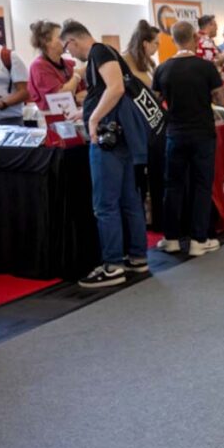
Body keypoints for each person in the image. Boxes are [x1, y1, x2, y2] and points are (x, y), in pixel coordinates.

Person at [60, 20, 149, 289]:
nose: (69, 53)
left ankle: (112, 265)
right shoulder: (105, 53)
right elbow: (109, 91)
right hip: (121, 137)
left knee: (105, 205)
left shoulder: (99, 52)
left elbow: (116, 88)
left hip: (109, 139)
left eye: (67, 47)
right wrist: (85, 112)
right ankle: (136, 257)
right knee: (128, 200)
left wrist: (93, 118)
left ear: (72, 41)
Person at [151, 21, 224, 257]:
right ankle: (198, 239)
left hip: (175, 133)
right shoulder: (206, 68)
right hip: (202, 133)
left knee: (173, 186)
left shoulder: (162, 69)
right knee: (201, 185)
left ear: (173, 40)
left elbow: (154, 101)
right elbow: (223, 101)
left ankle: (171, 238)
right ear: (195, 38)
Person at [123, 20, 164, 230]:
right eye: (156, 43)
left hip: (153, 127)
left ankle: (155, 216)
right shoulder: (123, 61)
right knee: (138, 178)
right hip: (136, 128)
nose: (157, 48)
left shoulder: (149, 64)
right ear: (145, 43)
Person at [27, 19, 85, 115]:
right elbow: (60, 98)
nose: (66, 40)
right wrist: (77, 76)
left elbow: (84, 94)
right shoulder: (39, 67)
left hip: (73, 116)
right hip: (53, 119)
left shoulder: (69, 64)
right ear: (46, 41)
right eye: (61, 37)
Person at [196, 15, 224, 94]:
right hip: (215, 89)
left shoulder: (201, 40)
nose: (217, 28)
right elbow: (212, 63)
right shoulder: (205, 41)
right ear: (209, 25)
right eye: (215, 25)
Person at [123, 20, 160, 88]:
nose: (158, 47)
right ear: (145, 44)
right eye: (156, 43)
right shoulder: (125, 61)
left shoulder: (151, 62)